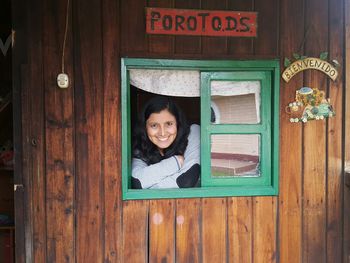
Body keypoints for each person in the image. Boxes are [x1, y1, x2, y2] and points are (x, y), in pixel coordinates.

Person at [131, 96, 200, 189]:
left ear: (178, 123)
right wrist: (175, 163)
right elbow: (137, 182)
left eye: (169, 124)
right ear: (145, 127)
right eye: (154, 125)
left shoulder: (193, 131)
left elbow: (186, 181)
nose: (162, 133)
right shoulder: (140, 144)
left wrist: (149, 184)